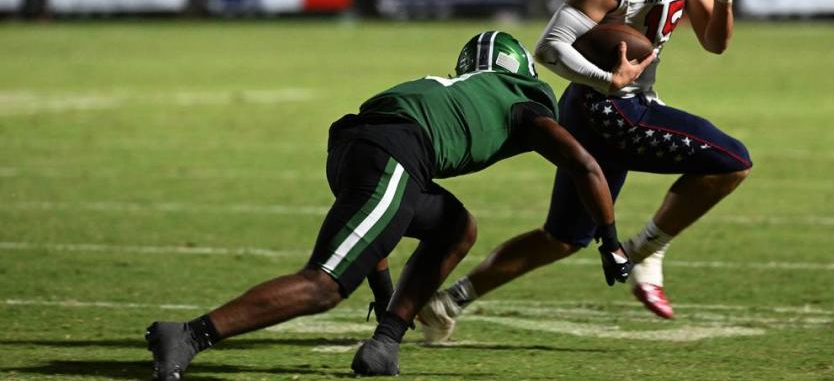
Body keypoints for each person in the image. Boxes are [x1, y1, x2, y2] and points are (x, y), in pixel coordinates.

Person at [144, 31, 635, 379]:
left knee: (456, 227)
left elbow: (388, 209)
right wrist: (609, 242)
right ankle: (189, 335)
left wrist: (383, 286)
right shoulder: (521, 99)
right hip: (395, 153)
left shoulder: (449, 90)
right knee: (324, 286)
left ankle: (385, 344)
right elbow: (586, 166)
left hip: (359, 150)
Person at [418, 0, 752, 341]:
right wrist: (608, 80)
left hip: (604, 104)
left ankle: (449, 300)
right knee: (733, 161)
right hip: (610, 108)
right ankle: (647, 248)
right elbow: (550, 48)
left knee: (562, 237)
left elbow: (715, 41)